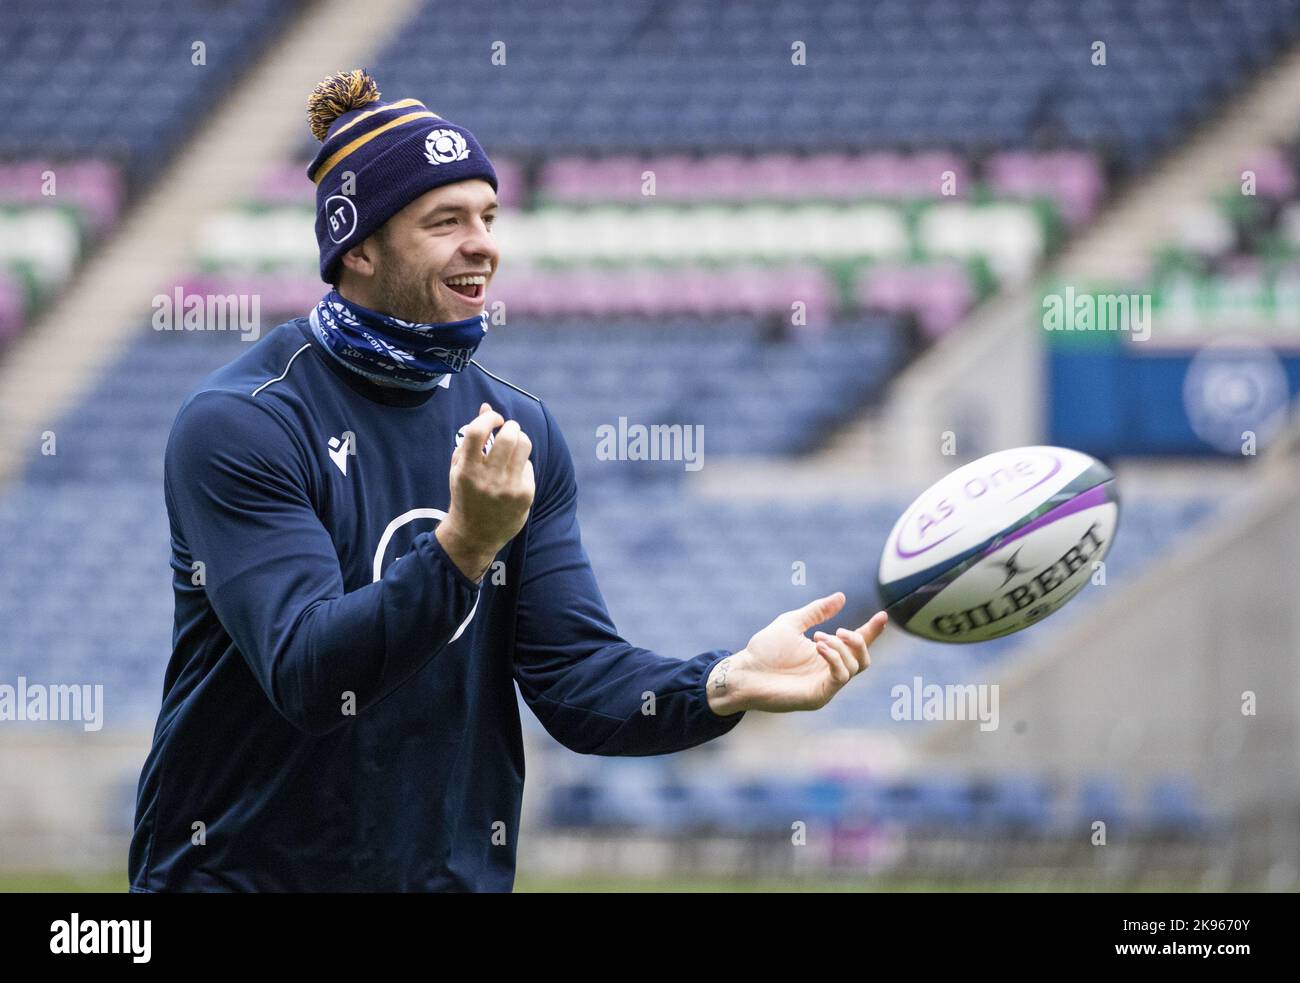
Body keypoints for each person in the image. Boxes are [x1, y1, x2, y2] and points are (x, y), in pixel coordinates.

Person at [128, 70, 887, 892]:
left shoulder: (520, 430)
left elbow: (576, 682)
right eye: (444, 220)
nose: (482, 242)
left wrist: (721, 682)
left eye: (488, 215)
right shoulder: (244, 422)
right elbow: (310, 673)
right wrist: (462, 547)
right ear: (359, 247)